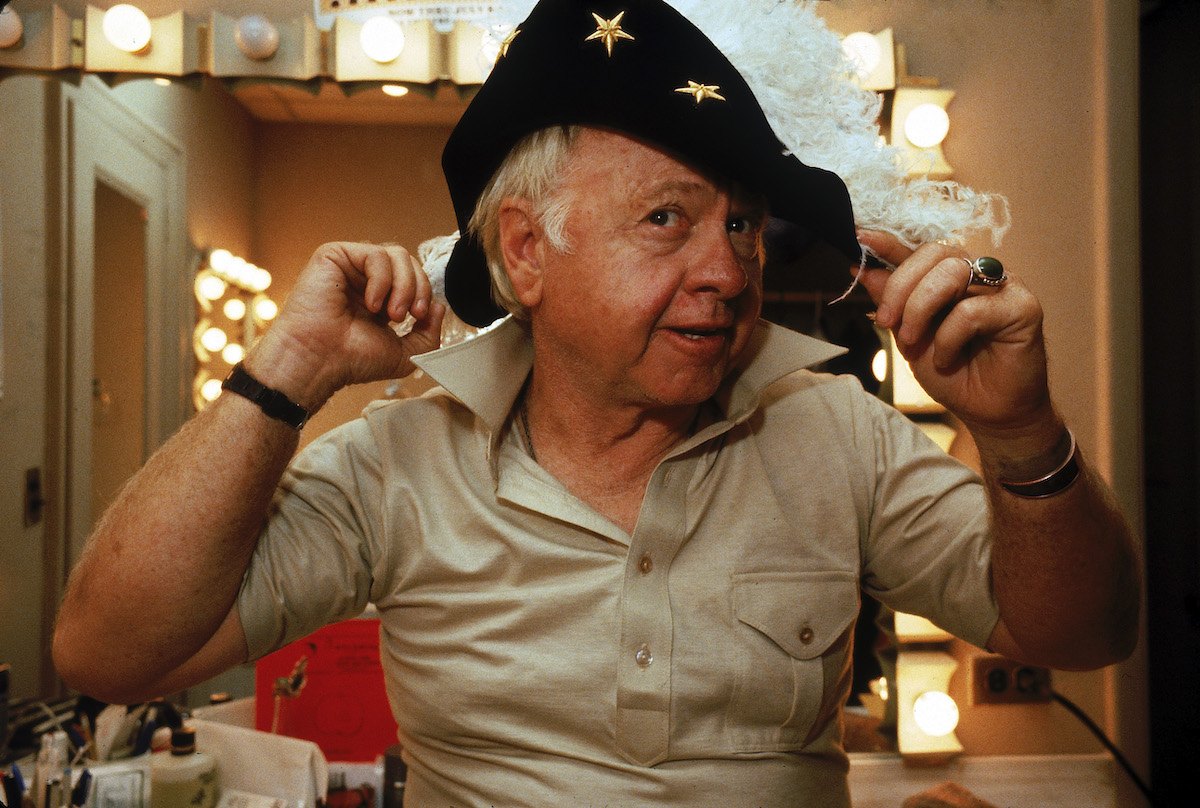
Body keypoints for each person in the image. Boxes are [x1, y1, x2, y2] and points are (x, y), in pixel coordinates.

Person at [53, 1, 1139, 805]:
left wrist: (1018, 433)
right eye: (669, 219)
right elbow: (109, 655)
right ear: (527, 253)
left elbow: (1085, 630)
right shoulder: (399, 464)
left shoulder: (835, 428)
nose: (729, 268)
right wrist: (286, 368)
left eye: (744, 225)